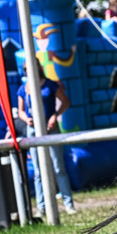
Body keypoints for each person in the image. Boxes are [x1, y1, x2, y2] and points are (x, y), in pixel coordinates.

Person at [17, 57, 76, 214]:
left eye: (33, 68)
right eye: (27, 70)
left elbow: (66, 102)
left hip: (50, 128)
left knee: (58, 167)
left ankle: (68, 204)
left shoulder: (50, 84)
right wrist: (26, 119)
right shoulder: (23, 88)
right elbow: (20, 111)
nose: (30, 72)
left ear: (38, 68)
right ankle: (41, 207)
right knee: (38, 171)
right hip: (33, 130)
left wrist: (54, 116)